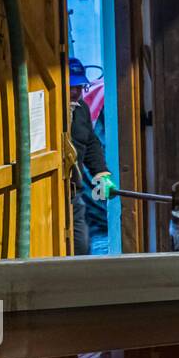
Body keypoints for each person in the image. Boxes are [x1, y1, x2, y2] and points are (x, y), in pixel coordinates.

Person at [69, 57, 113, 255]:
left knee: (81, 246)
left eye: (80, 86)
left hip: (74, 192)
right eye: (72, 86)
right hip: (52, 192)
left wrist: (101, 173)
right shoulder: (51, 111)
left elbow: (91, 142)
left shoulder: (81, 109)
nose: (76, 91)